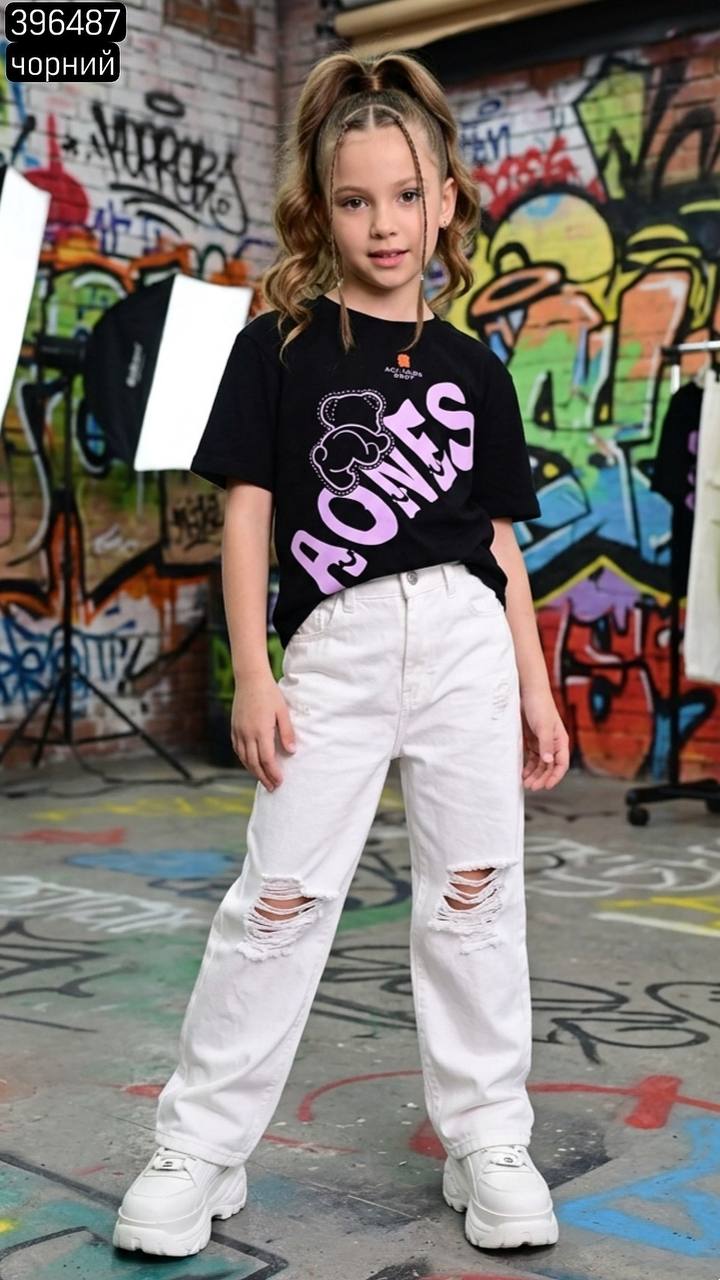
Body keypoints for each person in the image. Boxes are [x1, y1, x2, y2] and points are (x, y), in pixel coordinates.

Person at [113, 48, 570, 1260]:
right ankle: (201, 1147)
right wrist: (255, 672)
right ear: (321, 208)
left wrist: (535, 685)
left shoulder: (476, 368)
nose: (386, 223)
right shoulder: (278, 348)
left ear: (447, 201)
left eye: (408, 196)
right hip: (336, 644)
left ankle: (489, 1138)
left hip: (467, 640)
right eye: (357, 199)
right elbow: (249, 515)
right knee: (277, 899)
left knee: (476, 897)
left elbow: (501, 543)